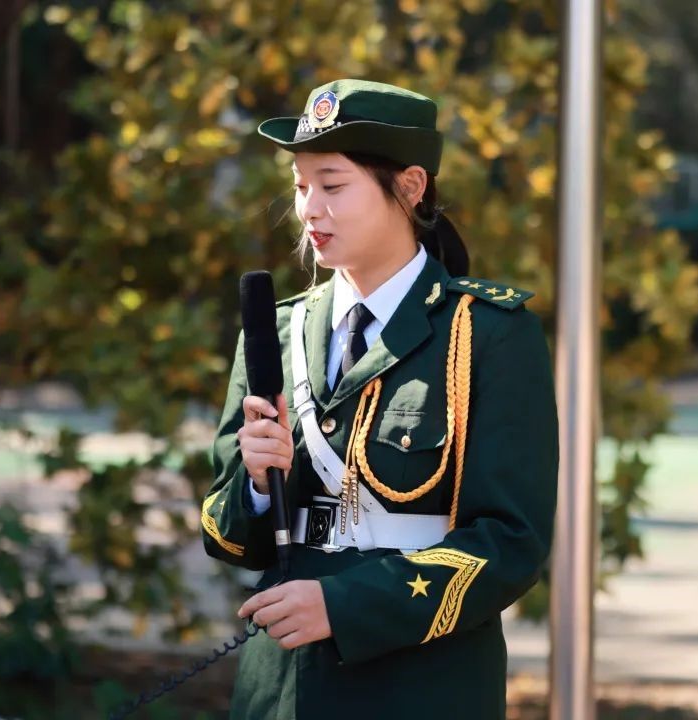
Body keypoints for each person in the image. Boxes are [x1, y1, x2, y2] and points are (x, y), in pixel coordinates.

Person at [201, 78, 558, 720]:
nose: (309, 210)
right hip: (280, 687)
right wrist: (255, 484)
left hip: (420, 684)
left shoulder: (487, 333)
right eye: (300, 187)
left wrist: (344, 606)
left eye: (333, 186)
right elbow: (227, 540)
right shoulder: (276, 332)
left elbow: (511, 542)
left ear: (412, 186)